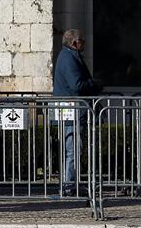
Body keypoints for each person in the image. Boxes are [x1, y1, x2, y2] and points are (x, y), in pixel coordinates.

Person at [53, 29, 101, 196]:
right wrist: (94, 84)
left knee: (72, 150)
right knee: (73, 150)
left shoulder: (69, 56)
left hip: (73, 111)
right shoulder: (68, 58)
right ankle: (68, 186)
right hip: (72, 112)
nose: (84, 44)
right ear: (74, 43)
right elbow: (77, 85)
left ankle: (69, 184)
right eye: (82, 41)